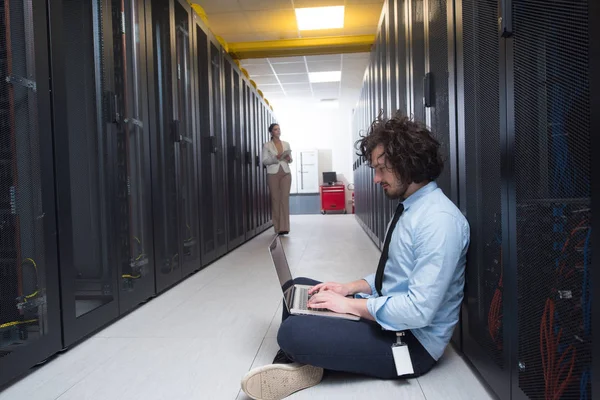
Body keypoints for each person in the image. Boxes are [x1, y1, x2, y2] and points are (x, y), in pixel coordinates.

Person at [241, 113, 470, 400]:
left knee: (291, 332)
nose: (375, 178)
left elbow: (418, 311)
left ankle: (300, 358)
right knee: (300, 287)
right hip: (389, 318)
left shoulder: (439, 221)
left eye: (382, 168)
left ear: (408, 162)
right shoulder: (412, 208)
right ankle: (306, 359)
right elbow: (393, 277)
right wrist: (348, 289)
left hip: (410, 342)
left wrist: (349, 306)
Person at [262, 123, 293, 235]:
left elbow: (290, 160)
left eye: (279, 129)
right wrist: (276, 158)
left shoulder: (286, 144)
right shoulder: (267, 145)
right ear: (271, 132)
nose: (278, 131)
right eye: (275, 129)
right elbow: (264, 161)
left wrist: (288, 158)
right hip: (273, 173)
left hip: (286, 173)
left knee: (284, 199)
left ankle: (285, 228)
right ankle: (277, 227)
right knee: (275, 199)